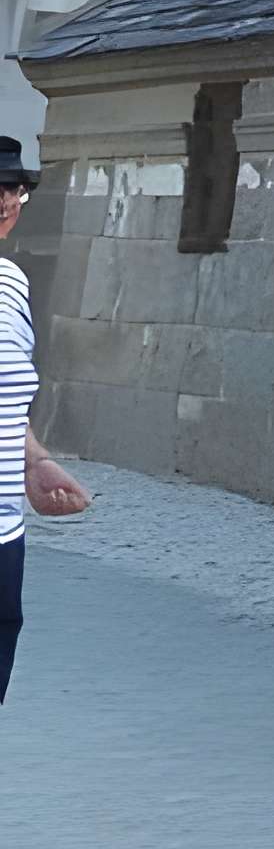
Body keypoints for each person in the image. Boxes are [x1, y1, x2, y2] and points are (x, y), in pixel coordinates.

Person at [0, 135, 91, 705]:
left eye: (14, 188)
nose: (7, 199)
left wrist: (35, 461)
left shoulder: (10, 285)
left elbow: (10, 400)